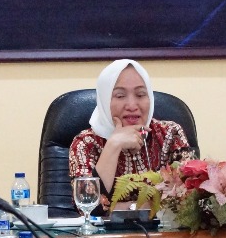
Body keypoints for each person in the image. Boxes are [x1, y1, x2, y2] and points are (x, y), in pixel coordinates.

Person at [69, 59, 196, 207]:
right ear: (104, 100)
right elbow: (88, 206)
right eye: (120, 96)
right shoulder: (85, 143)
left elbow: (188, 202)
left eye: (141, 95)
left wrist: (122, 209)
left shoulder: (170, 134)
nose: (132, 105)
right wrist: (114, 144)